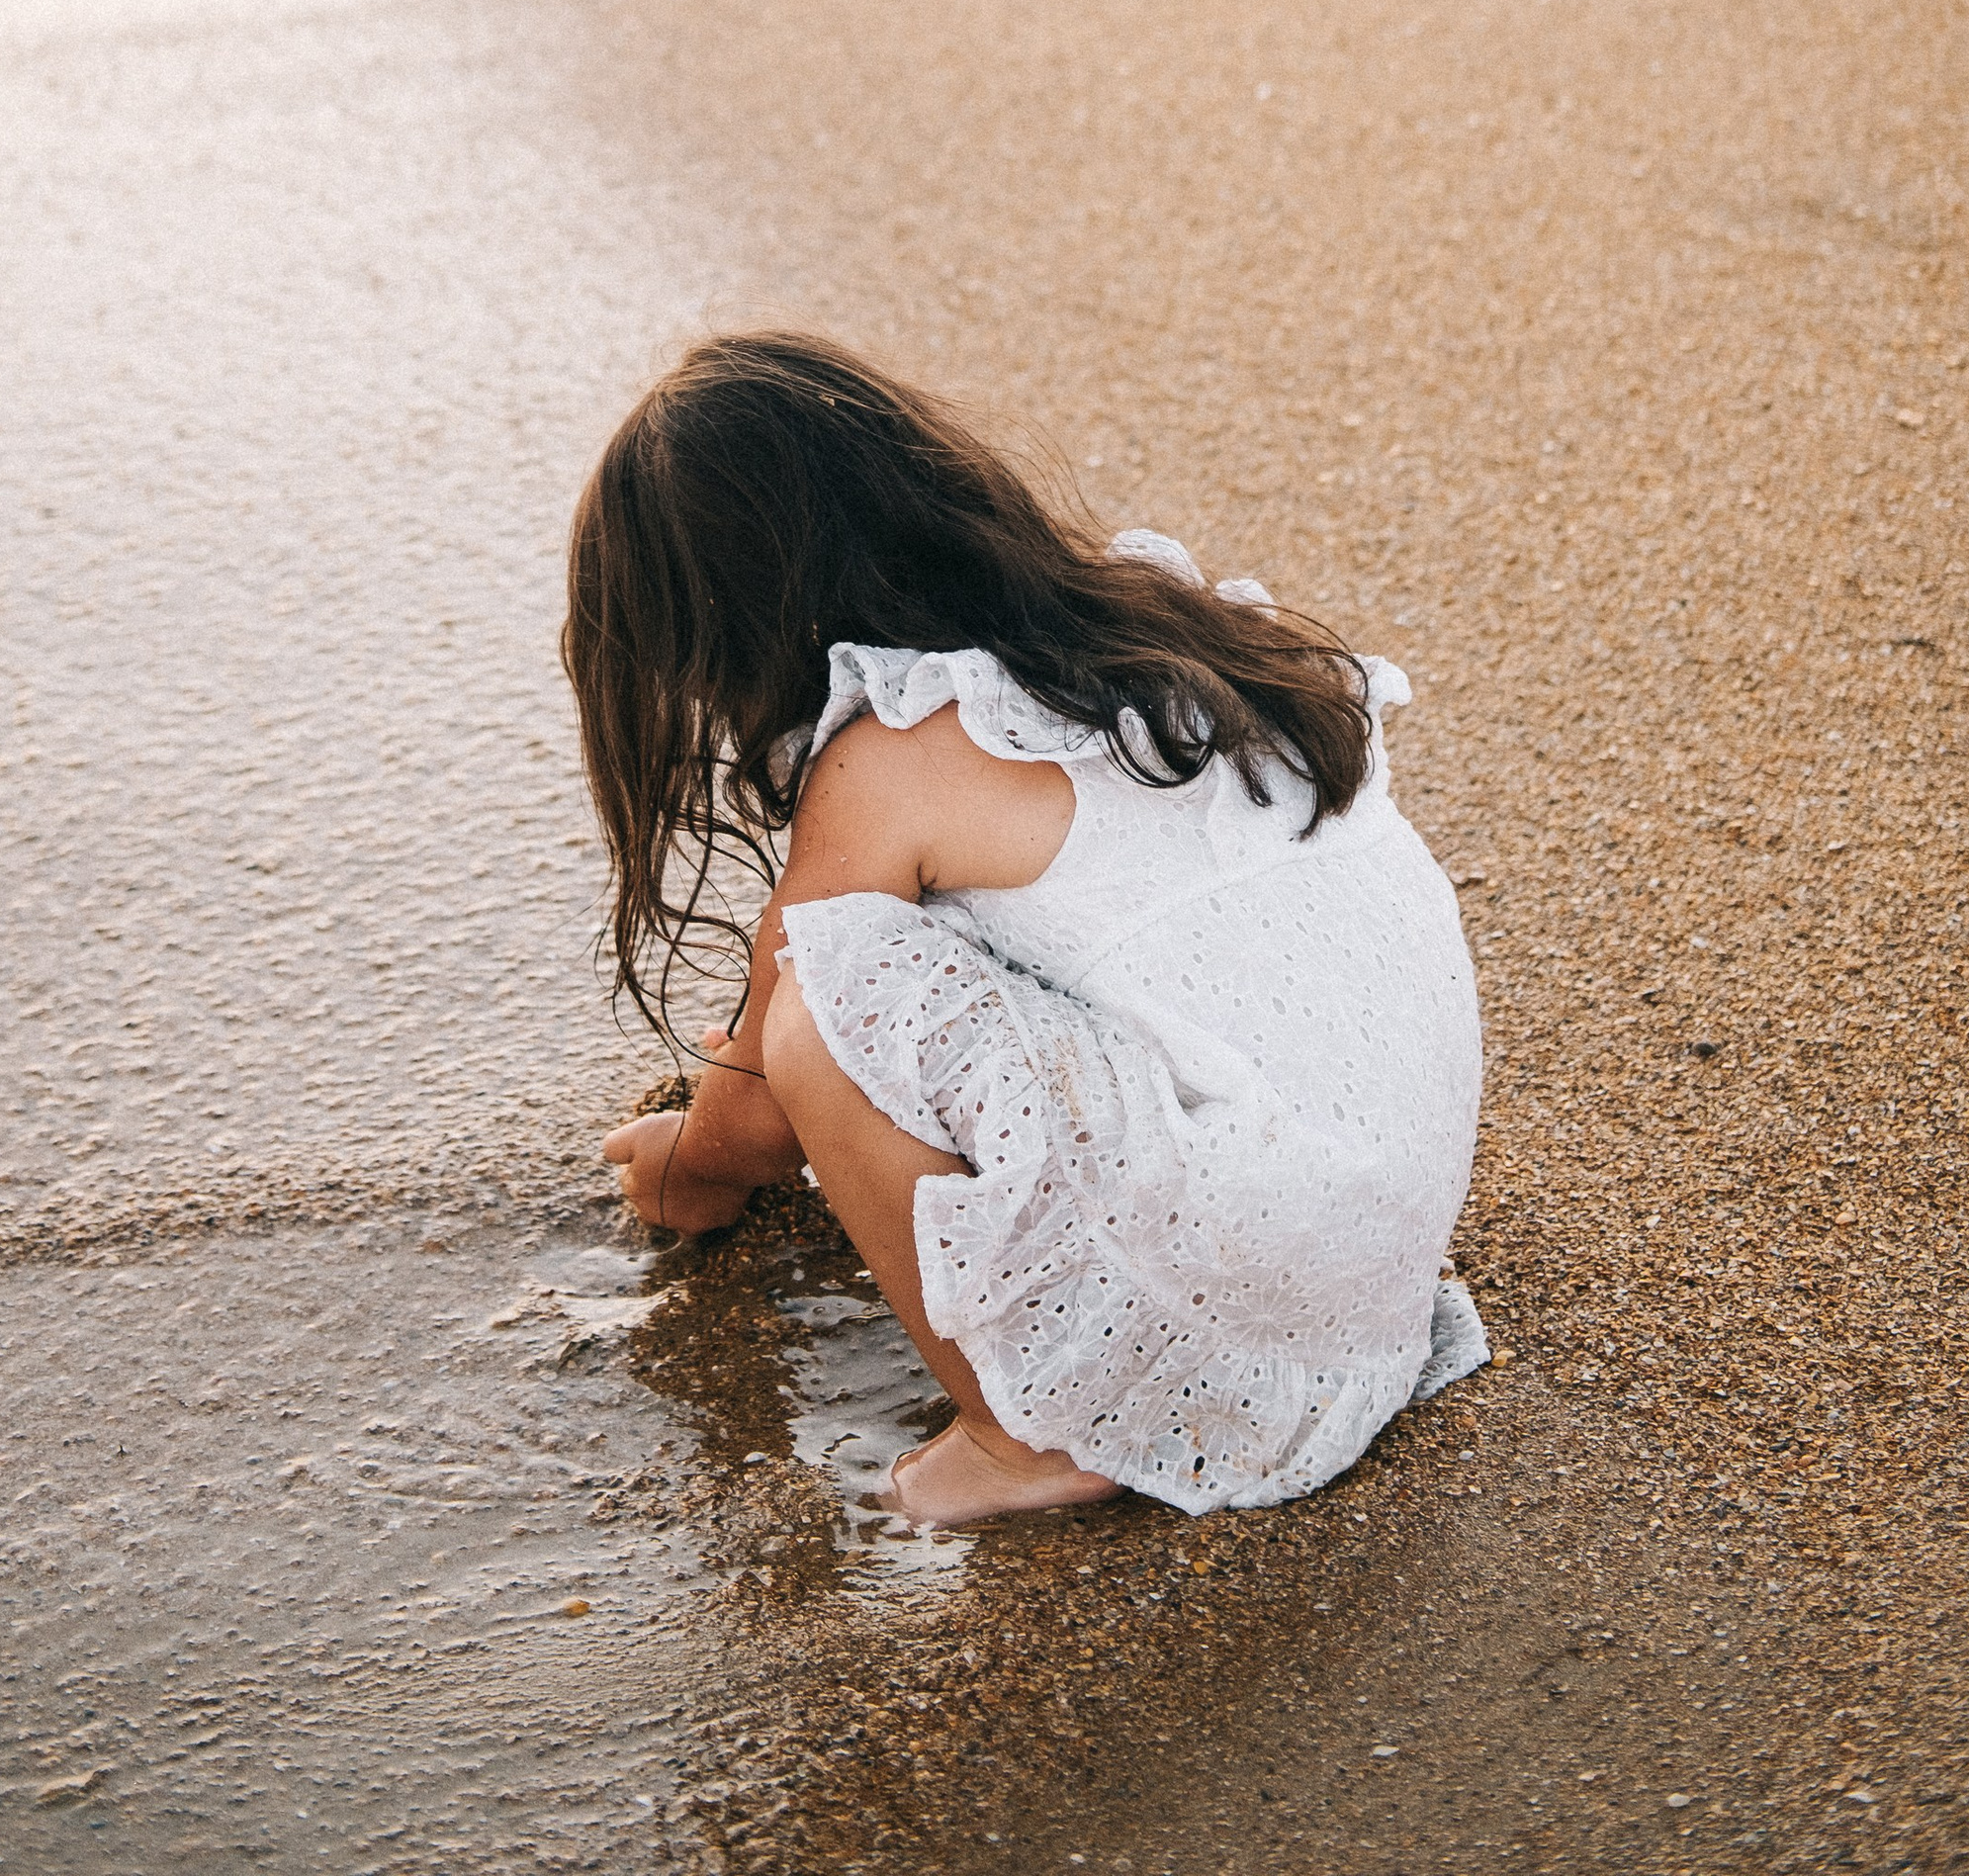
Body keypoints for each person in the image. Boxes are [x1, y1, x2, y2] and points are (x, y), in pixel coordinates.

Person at [567, 334, 1487, 1529]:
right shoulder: (1149, 629)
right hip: (1377, 1239)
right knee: (866, 981)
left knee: (816, 1012)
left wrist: (686, 1173)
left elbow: (754, 1103)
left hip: (1273, 1268)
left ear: (725, 629)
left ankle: (1027, 1442)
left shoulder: (892, 760)